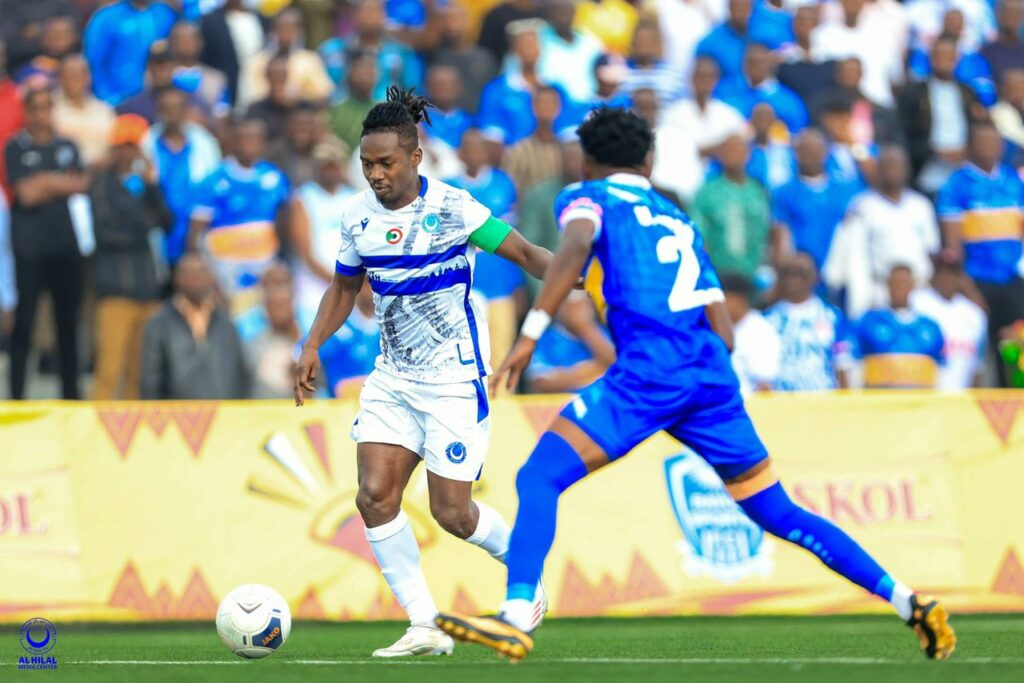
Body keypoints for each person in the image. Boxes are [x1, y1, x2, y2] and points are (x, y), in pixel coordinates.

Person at [433, 107, 955, 663]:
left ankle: (516, 617)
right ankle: (909, 601)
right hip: (709, 378)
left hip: (649, 372)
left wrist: (531, 333)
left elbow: (574, 247)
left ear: (587, 162)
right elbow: (724, 331)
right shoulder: (679, 221)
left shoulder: (586, 198)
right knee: (777, 510)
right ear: (649, 161)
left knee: (539, 476)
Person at [293, 87, 555, 657]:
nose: (375, 175)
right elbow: (343, 287)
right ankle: (424, 625)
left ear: (415, 157)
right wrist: (312, 344)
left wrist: (577, 274)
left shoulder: (455, 209)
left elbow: (525, 253)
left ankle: (526, 570)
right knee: (374, 497)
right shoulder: (357, 216)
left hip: (452, 380)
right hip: (392, 378)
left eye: (386, 163)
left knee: (453, 513)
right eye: (367, 164)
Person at [5, 87, 89, 400]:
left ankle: (71, 397)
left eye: (46, 107)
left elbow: (80, 184)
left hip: (64, 245)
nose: (42, 114)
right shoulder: (15, 147)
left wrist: (43, 180)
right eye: (35, 108)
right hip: (29, 248)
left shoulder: (66, 145)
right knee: (24, 323)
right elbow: (25, 194)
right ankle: (17, 398)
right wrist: (58, 182)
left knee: (68, 323)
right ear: (26, 112)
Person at [89, 114, 170, 400]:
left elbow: (167, 221)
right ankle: (97, 427)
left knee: (140, 372)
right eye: (122, 146)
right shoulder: (101, 182)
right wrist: (144, 225)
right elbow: (106, 232)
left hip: (147, 288)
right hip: (116, 290)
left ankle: (133, 429)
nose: (127, 152)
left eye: (132, 146)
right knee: (109, 371)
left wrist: (152, 186)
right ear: (113, 148)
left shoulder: (146, 184)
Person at [936, 122, 1024, 385]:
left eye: (994, 142)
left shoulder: (1013, 181)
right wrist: (966, 285)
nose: (989, 148)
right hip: (977, 281)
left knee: (1015, 342)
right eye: (983, 142)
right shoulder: (956, 185)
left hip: (1013, 279)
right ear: (971, 146)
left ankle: (1016, 397)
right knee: (983, 351)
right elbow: (952, 246)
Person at [189, 118, 290, 318]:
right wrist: (210, 283)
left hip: (265, 275)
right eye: (243, 137)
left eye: (254, 138)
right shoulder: (214, 179)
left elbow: (284, 226)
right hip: (225, 275)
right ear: (233, 140)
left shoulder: (275, 177)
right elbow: (194, 237)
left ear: (263, 142)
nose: (249, 143)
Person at [824, 146, 940, 318]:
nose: (892, 172)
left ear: (907, 170)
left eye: (897, 166)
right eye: (887, 166)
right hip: (878, 292)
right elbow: (850, 255)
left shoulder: (921, 205)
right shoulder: (862, 205)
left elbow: (932, 250)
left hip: (918, 291)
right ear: (878, 170)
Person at [140, 252, 251, 400]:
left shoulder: (226, 324)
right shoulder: (159, 325)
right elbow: (150, 381)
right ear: (176, 278)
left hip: (224, 411)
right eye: (189, 273)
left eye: (201, 272)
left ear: (211, 277)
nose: (196, 279)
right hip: (177, 412)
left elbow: (241, 373)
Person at [140, 86, 221, 266]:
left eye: (177, 108)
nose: (172, 114)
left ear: (186, 110)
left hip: (195, 230)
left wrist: (195, 233)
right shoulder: (147, 142)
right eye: (166, 109)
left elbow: (211, 189)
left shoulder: (204, 142)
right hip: (158, 230)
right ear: (158, 111)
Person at [900, 35, 984, 194]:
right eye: (938, 55)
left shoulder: (967, 92)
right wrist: (935, 152)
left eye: (949, 56)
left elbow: (975, 126)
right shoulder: (914, 92)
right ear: (931, 57)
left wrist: (967, 150)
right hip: (925, 171)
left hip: (963, 169)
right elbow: (904, 133)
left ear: (956, 59)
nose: (943, 61)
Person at [771, 128, 858, 271]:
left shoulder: (845, 190)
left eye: (816, 150)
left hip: (838, 269)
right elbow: (781, 233)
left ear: (826, 152)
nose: (811, 155)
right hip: (802, 271)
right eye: (805, 150)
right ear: (796, 154)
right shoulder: (785, 192)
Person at [766, 252, 854, 391]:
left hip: (824, 398)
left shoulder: (833, 316)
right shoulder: (768, 319)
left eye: (800, 273)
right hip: (782, 399)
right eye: (787, 273)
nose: (793, 278)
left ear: (815, 277)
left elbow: (841, 362)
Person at [290, 139, 355, 324]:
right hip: (313, 293)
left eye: (334, 165)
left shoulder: (353, 197)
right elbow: (306, 254)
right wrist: (339, 282)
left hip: (351, 292)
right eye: (325, 166)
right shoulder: (304, 197)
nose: (330, 171)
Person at [690, 134, 770, 280]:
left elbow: (766, 231)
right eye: (728, 150)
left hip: (753, 274)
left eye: (738, 150)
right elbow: (699, 234)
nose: (733, 155)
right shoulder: (707, 192)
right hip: (719, 274)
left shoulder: (758, 192)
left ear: (747, 154)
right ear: (720, 156)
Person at [855, 265, 946, 389]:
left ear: (912, 286)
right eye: (894, 283)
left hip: (920, 399)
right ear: (887, 285)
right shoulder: (870, 322)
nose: (899, 288)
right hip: (881, 398)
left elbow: (941, 369)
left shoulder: (930, 327)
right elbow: (856, 363)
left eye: (903, 283)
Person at [910, 250, 988, 390]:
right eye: (942, 272)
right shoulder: (917, 302)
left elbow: (977, 367)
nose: (946, 278)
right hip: (923, 394)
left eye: (952, 273)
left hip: (959, 396)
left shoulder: (974, 314)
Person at [319, 0, 421, 102]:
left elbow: (412, 91)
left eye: (375, 10)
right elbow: (319, 92)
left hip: (387, 109)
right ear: (353, 14)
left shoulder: (400, 52)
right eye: (364, 10)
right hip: (339, 109)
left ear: (384, 14)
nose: (369, 16)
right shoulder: (331, 51)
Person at [83, 0, 177, 105]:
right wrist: (106, 97)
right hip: (119, 99)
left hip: (159, 101)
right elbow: (93, 60)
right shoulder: (107, 18)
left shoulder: (165, 14)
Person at [240, 8, 332, 109]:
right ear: (273, 31)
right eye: (281, 28)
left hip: (300, 114)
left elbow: (324, 95)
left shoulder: (310, 61)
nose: (285, 34)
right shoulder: (258, 62)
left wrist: (297, 100)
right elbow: (251, 96)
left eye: (290, 29)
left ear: (299, 32)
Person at [661, 57, 747, 163]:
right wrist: (715, 149)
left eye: (709, 77)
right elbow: (672, 149)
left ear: (716, 80)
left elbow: (741, 141)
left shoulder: (729, 114)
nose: (705, 81)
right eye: (700, 76)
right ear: (692, 79)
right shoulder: (674, 113)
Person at [524, 293, 614, 393]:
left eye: (583, 305)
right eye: (572, 306)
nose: (579, 312)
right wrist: (593, 370)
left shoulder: (606, 334)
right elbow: (541, 383)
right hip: (563, 401)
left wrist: (586, 328)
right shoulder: (544, 341)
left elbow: (615, 364)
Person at [715, 42, 809, 134]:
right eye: (751, 61)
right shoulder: (725, 90)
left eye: (760, 62)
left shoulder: (788, 101)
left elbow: (798, 133)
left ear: (770, 64)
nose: (755, 66)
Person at [427, 2, 497, 114]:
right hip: (441, 119)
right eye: (446, 19)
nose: (451, 25)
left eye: (456, 19)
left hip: (477, 119)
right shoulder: (432, 55)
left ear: (468, 22)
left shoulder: (484, 57)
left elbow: (492, 94)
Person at [317, 280, 380, 398]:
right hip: (341, 407)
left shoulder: (398, 327)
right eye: (368, 281)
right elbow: (300, 361)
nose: (373, 287)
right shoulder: (335, 326)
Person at [53, 54, 116, 168]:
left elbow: (114, 145)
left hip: (102, 172)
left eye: (80, 74)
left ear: (88, 77)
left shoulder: (104, 110)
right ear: (60, 78)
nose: (75, 79)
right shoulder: (51, 108)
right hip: (64, 172)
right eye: (70, 75)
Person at [722, 272, 780, 394]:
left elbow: (765, 385)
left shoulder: (760, 330)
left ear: (738, 299)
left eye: (723, 298)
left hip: (750, 402)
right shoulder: (716, 327)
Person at [501, 86, 564, 195]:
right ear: (533, 107)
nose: (546, 107)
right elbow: (508, 189)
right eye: (542, 103)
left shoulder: (566, 152)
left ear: (558, 108)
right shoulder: (518, 151)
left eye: (550, 103)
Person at [536, 0, 604, 102]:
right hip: (552, 106)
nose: (563, 15)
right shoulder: (538, 41)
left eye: (567, 10)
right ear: (549, 14)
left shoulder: (591, 43)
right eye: (557, 10)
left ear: (574, 12)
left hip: (588, 104)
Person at [248, 278, 301, 399]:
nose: (278, 311)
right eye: (273, 305)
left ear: (293, 305)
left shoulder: (310, 344)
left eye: (283, 305)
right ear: (265, 309)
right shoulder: (253, 346)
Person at [168, 21, 229, 121]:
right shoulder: (160, 77)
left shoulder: (216, 79)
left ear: (200, 43)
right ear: (171, 43)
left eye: (189, 40)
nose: (185, 44)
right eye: (180, 40)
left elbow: (222, 115)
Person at [328, 50, 379, 155]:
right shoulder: (337, 110)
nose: (366, 77)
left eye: (370, 71)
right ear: (350, 74)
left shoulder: (382, 110)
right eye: (361, 71)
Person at [245, 55, 296, 141]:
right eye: (274, 75)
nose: (278, 79)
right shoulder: (255, 108)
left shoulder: (297, 107)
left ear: (287, 76)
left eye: (281, 75)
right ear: (267, 76)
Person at [422, 64, 472, 150]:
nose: (445, 89)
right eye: (439, 84)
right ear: (428, 87)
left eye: (450, 84)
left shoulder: (469, 121)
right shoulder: (419, 121)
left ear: (458, 87)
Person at [980, 0, 1024, 85]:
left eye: (1015, 13)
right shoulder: (986, 52)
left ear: (1021, 16)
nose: (1011, 17)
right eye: (1007, 12)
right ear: (998, 15)